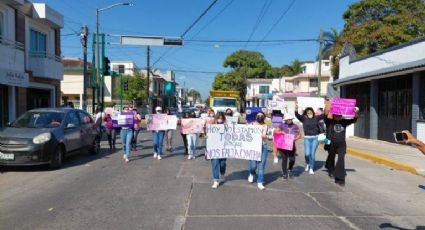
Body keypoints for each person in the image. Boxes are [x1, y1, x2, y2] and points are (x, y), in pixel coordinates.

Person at [324, 108, 359, 186]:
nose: (338, 117)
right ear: (334, 115)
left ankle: (339, 178)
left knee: (341, 159)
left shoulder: (344, 122)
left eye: (339, 115)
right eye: (336, 115)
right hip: (331, 144)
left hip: (341, 144)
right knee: (331, 157)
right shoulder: (330, 121)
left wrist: (355, 113)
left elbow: (354, 119)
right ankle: (330, 169)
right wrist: (328, 108)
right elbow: (325, 115)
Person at [295, 103, 326, 175]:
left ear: (313, 112)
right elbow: (297, 115)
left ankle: (311, 168)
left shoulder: (316, 118)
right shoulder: (303, 118)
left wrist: (327, 107)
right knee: (307, 154)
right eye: (308, 112)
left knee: (312, 154)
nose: (309, 113)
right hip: (307, 138)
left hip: (315, 138)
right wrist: (296, 108)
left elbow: (324, 115)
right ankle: (307, 163)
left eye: (310, 112)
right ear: (306, 113)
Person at [274, 114, 302, 180]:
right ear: (285, 120)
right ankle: (284, 173)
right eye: (287, 119)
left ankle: (289, 169)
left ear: (292, 119)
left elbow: (299, 135)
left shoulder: (295, 126)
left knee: (292, 159)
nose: (289, 120)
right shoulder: (282, 125)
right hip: (282, 146)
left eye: (290, 119)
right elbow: (275, 131)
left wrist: (296, 138)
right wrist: (281, 132)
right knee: (284, 159)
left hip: (291, 145)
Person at [247, 112, 269, 190]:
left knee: (261, 165)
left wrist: (265, 136)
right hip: (253, 147)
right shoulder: (251, 124)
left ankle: (260, 182)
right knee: (253, 166)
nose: (260, 117)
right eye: (258, 115)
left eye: (261, 115)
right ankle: (252, 173)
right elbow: (245, 132)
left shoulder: (266, 126)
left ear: (264, 117)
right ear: (256, 117)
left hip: (263, 146)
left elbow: (268, 136)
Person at [210, 112, 227, 189]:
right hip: (213, 149)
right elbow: (203, 136)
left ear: (223, 119)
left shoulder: (227, 127)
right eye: (218, 118)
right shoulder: (211, 127)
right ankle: (216, 180)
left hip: (223, 149)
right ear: (216, 118)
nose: (220, 120)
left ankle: (222, 173)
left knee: (222, 164)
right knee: (215, 164)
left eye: (221, 118)